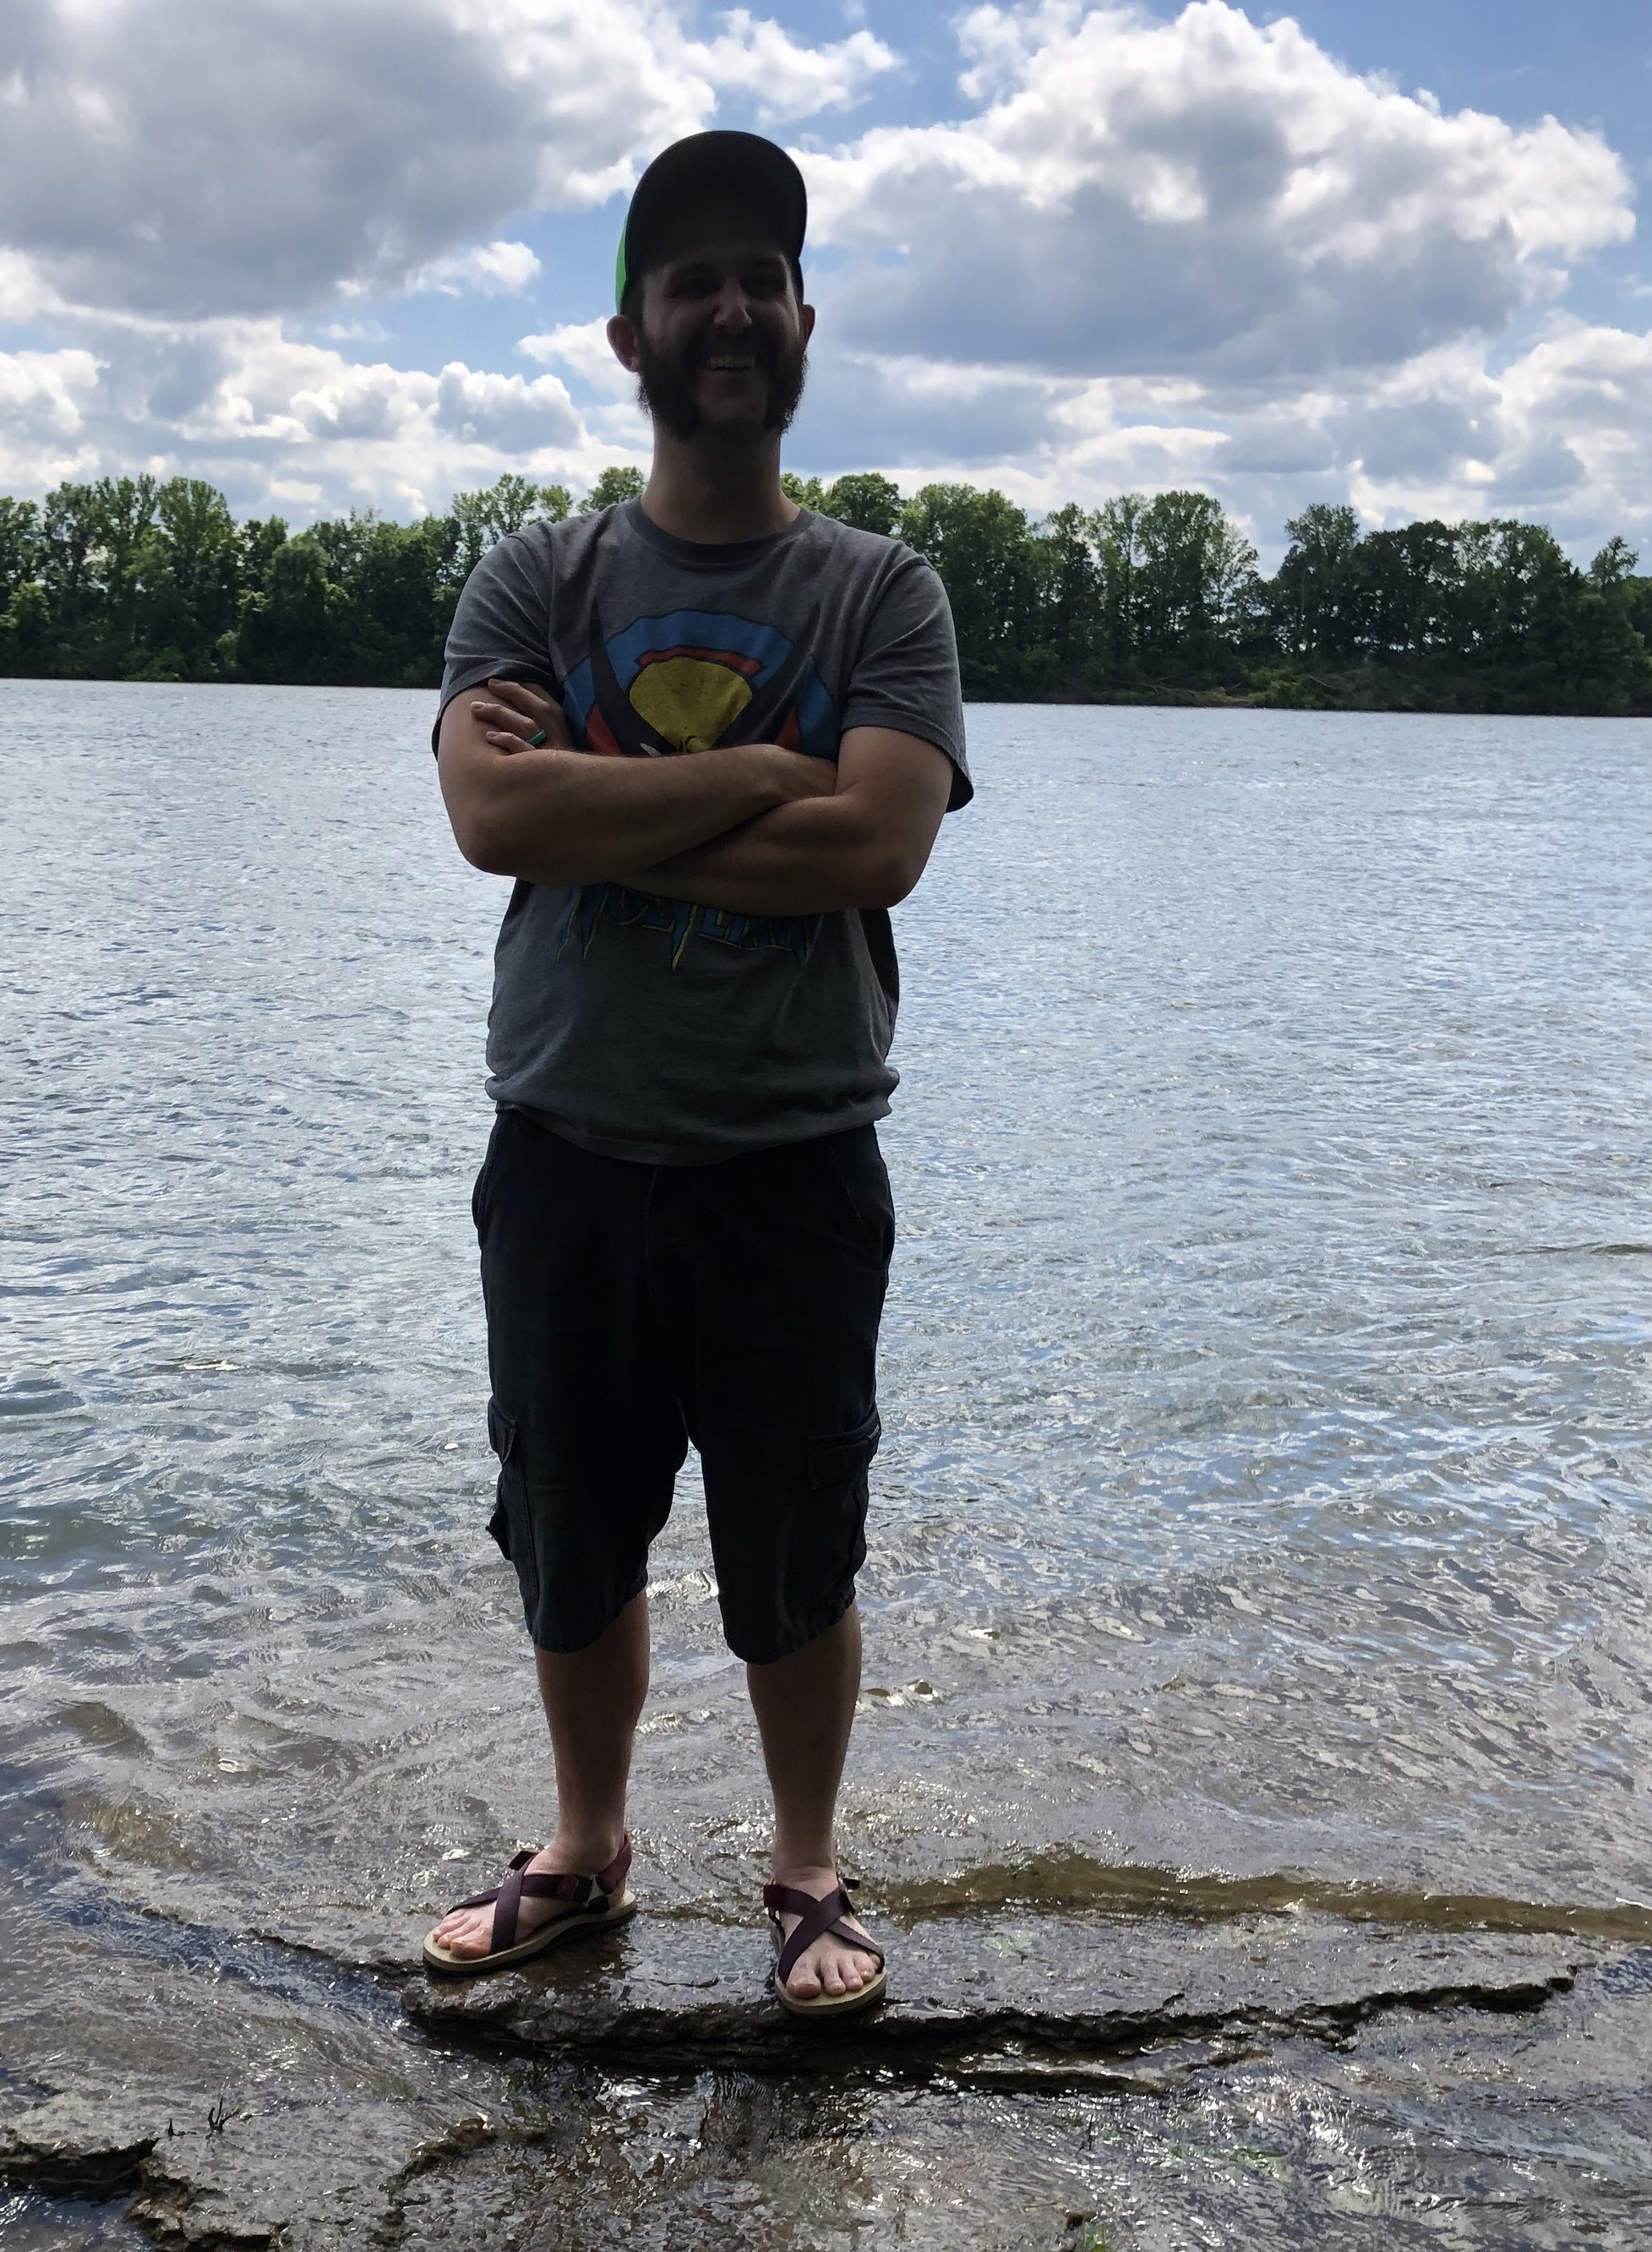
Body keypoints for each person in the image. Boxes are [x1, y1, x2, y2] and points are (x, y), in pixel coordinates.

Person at [423, 129, 970, 2016]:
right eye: (690, 280)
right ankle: (583, 1850)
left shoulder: (881, 592)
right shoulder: (537, 571)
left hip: (789, 1155)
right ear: (625, 334)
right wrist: (755, 774)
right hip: (566, 1146)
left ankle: (805, 1869)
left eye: (760, 274)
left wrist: (609, 806)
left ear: (803, 319)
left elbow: (874, 850)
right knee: (567, 1519)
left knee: (794, 1528)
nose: (727, 307)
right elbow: (491, 812)